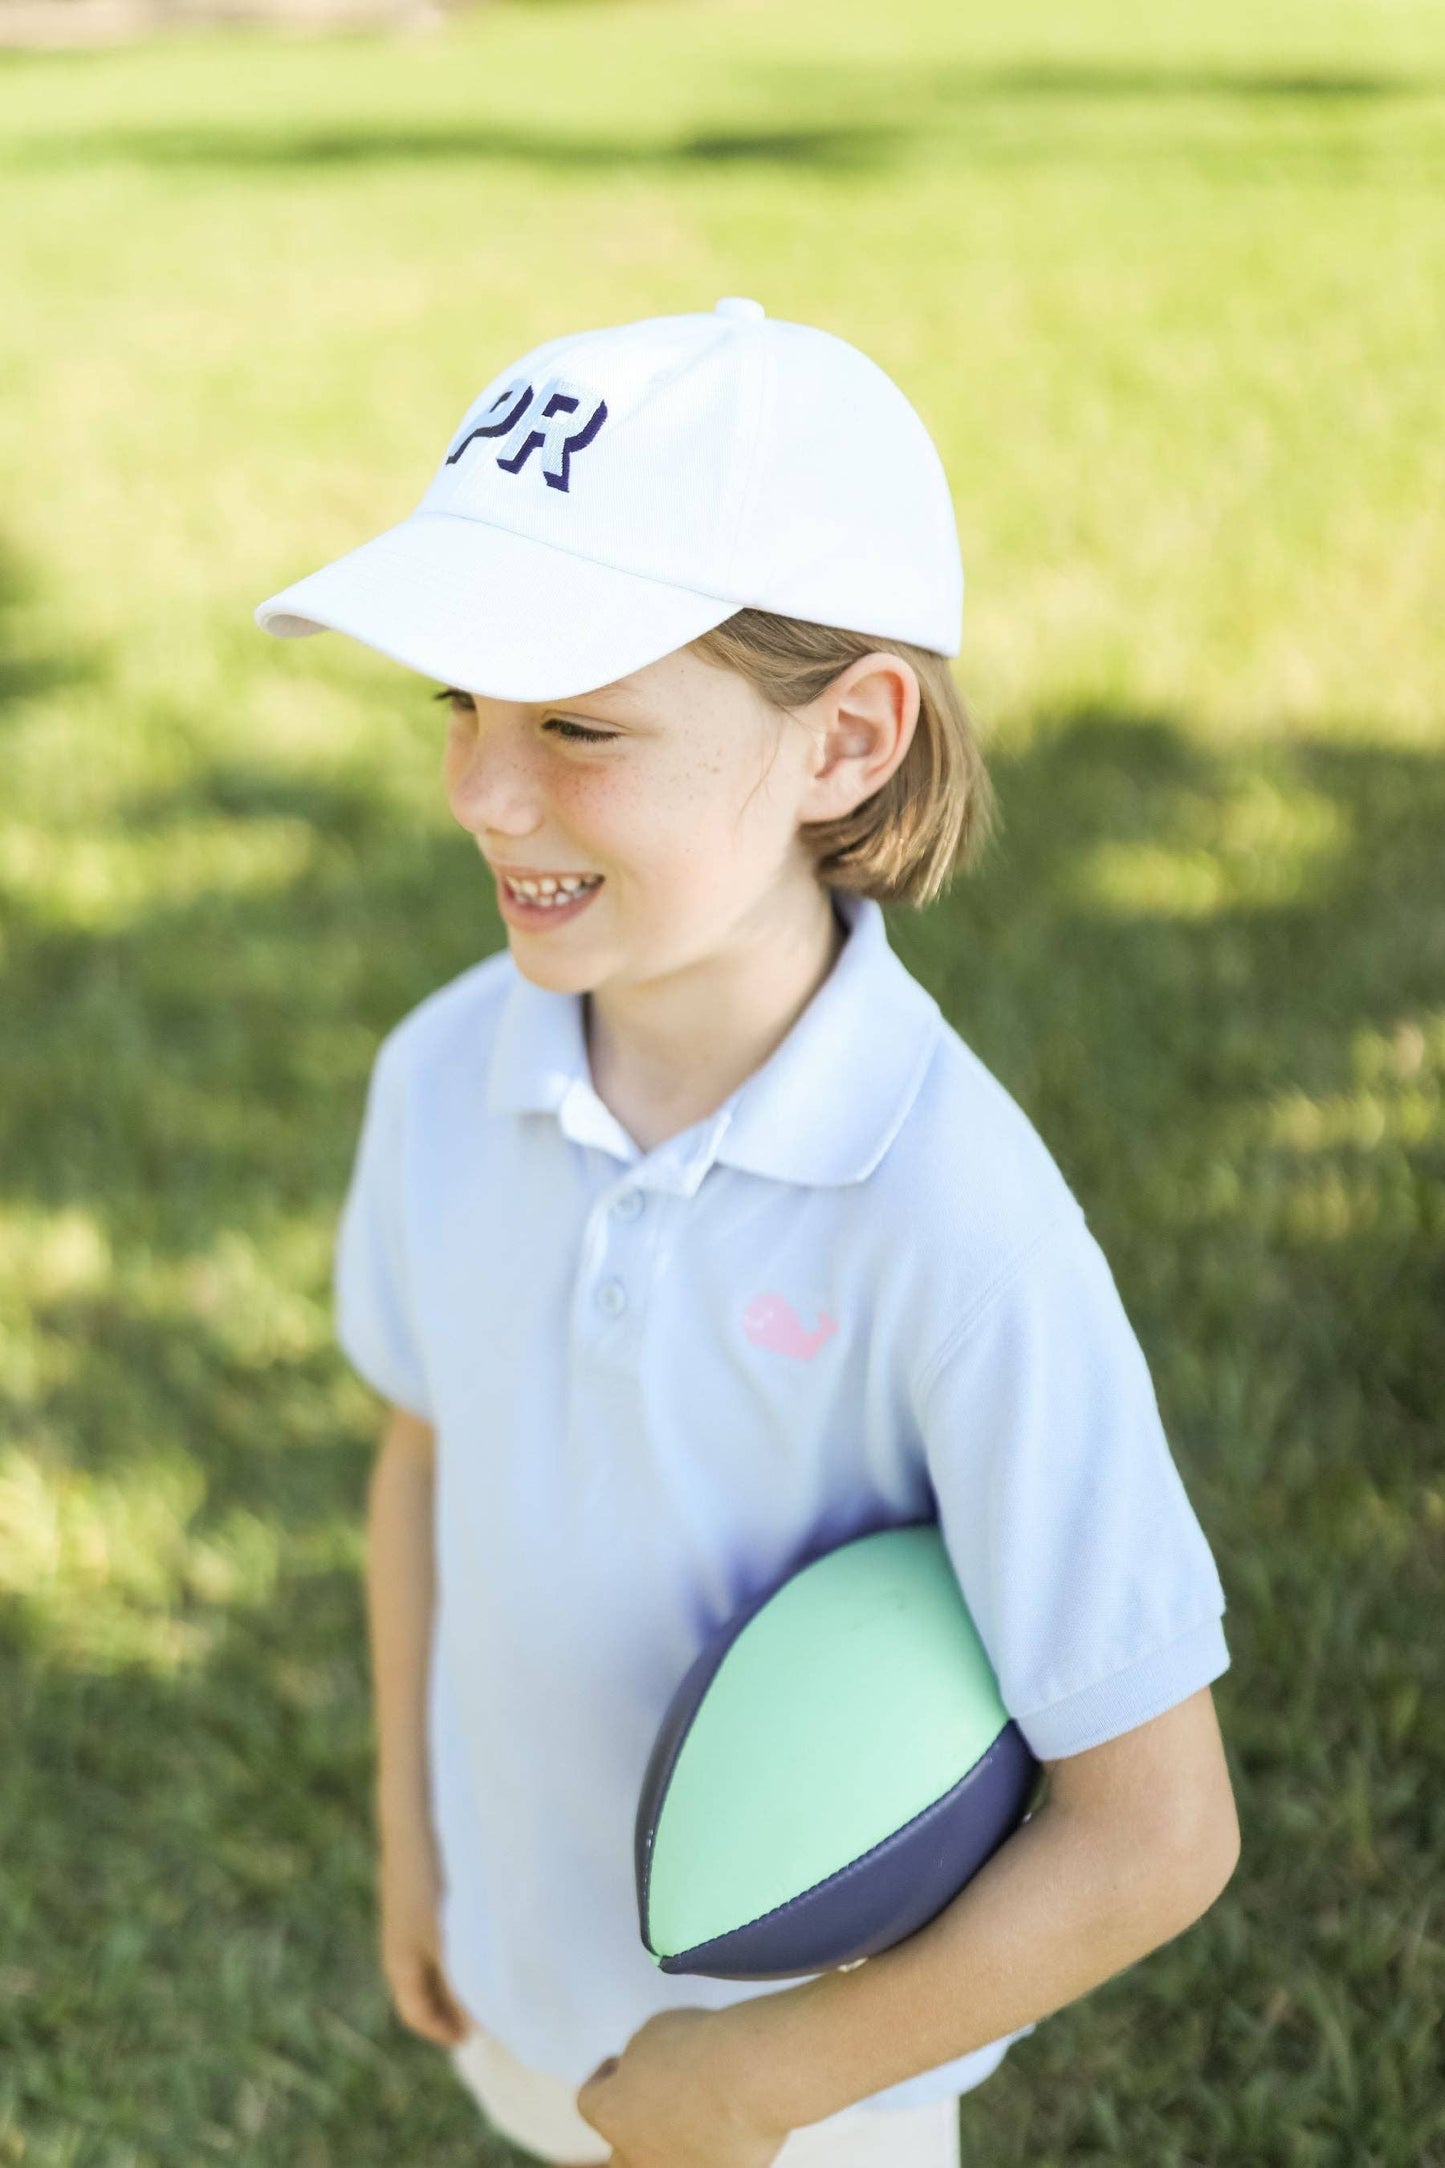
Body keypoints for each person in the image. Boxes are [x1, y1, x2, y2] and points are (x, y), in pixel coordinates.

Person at [253, 297, 1240, 2168]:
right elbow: (422, 1458)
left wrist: (758, 2083)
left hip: (804, 2106)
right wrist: (415, 1842)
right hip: (527, 1985)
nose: (480, 789)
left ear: (844, 740)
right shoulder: (440, 1076)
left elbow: (1158, 1831)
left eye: (577, 723)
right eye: (459, 704)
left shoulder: (955, 1224)